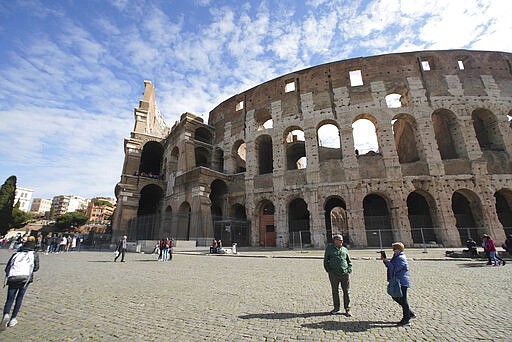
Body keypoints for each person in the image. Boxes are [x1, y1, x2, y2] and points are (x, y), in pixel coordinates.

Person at [1, 236, 40, 330]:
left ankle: (6, 315)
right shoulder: (34, 254)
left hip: (13, 278)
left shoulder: (16, 253)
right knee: (19, 298)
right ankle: (13, 319)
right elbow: (36, 268)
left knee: (9, 299)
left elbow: (7, 268)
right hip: (25, 279)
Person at [382, 242, 415, 326]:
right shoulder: (396, 257)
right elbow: (391, 266)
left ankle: (406, 319)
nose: (393, 251)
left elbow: (394, 269)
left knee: (403, 300)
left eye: (394, 249)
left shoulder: (401, 258)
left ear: (399, 249)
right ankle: (409, 313)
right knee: (396, 297)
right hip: (396, 280)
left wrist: (387, 261)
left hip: (402, 281)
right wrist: (385, 261)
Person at [323, 234, 352, 316]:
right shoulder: (329, 249)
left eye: (342, 240)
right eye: (340, 240)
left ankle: (348, 308)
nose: (342, 241)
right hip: (334, 274)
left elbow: (348, 260)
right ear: (335, 241)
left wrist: (349, 269)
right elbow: (326, 261)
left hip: (344, 273)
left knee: (346, 291)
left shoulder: (345, 249)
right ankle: (336, 308)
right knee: (335, 291)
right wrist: (329, 271)